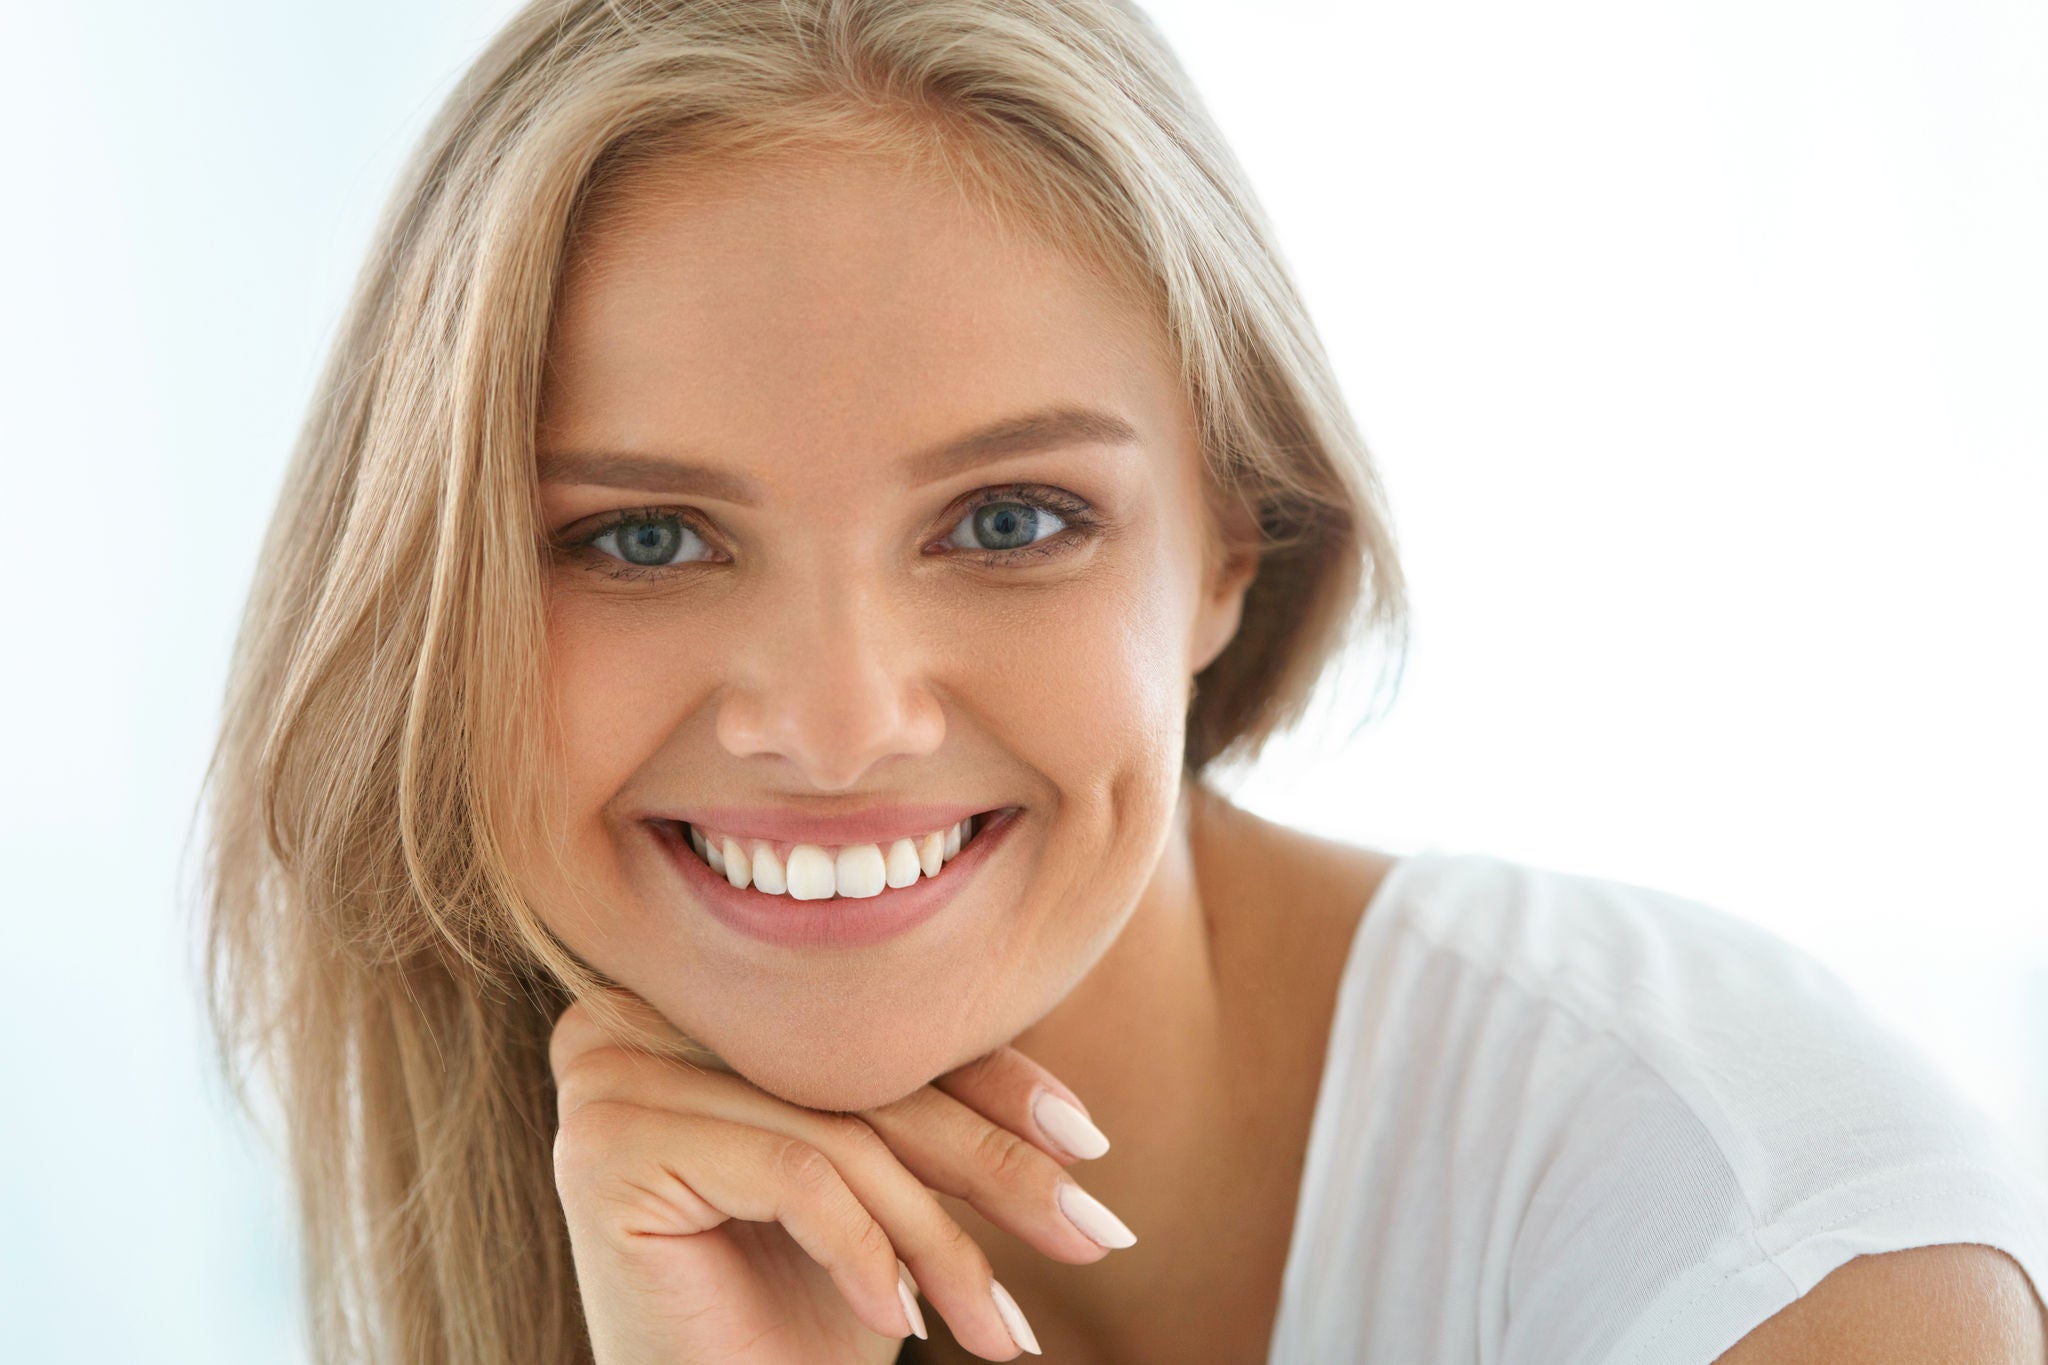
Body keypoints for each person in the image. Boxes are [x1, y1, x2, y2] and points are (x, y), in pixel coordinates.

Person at [200, 0, 2048, 1360]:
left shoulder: (1764, 1248)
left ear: (1233, 550)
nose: (840, 724)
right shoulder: (566, 1211)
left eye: (1009, 520)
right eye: (642, 538)